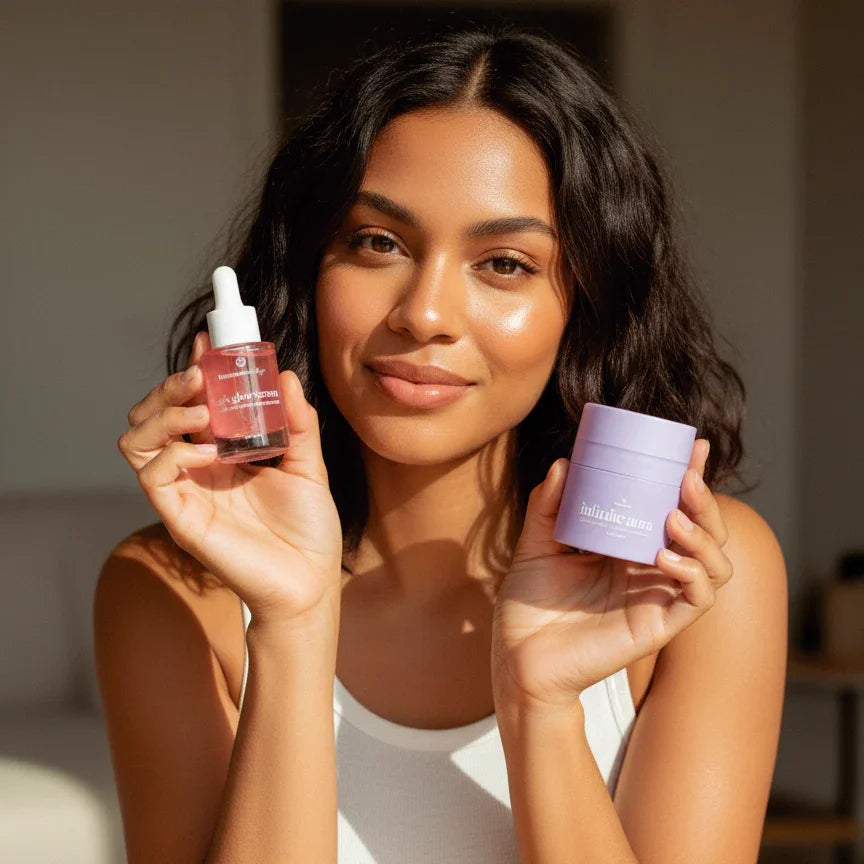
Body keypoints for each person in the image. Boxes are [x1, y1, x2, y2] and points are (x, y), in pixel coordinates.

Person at [96, 23, 788, 864]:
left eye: (504, 263)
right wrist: (292, 623)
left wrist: (542, 706)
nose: (423, 314)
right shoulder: (170, 595)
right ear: (311, 269)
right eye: (378, 243)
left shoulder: (690, 580)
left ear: (585, 309)